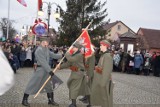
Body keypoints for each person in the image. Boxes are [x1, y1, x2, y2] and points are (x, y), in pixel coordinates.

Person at [22, 40, 62, 106]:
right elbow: (43, 62)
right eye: (45, 44)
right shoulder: (39, 50)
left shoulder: (46, 49)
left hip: (46, 70)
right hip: (40, 70)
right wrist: (50, 70)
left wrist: (62, 55)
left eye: (47, 44)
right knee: (32, 84)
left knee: (48, 85)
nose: (46, 45)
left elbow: (53, 55)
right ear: (42, 43)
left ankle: (50, 100)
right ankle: (24, 100)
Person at [58, 42, 90, 107]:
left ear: (77, 48)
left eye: (74, 47)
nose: (72, 48)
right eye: (72, 47)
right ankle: (88, 101)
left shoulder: (79, 55)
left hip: (78, 73)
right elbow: (68, 63)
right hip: (75, 73)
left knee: (73, 87)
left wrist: (66, 53)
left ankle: (74, 104)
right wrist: (60, 67)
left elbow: (70, 59)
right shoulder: (75, 54)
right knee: (74, 86)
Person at [90, 40, 114, 107]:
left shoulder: (107, 56)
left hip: (103, 81)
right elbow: (102, 66)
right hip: (100, 78)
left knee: (105, 98)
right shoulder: (103, 55)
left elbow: (107, 71)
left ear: (105, 46)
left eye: (101, 45)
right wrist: (97, 67)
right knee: (102, 98)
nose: (100, 47)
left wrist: (103, 83)